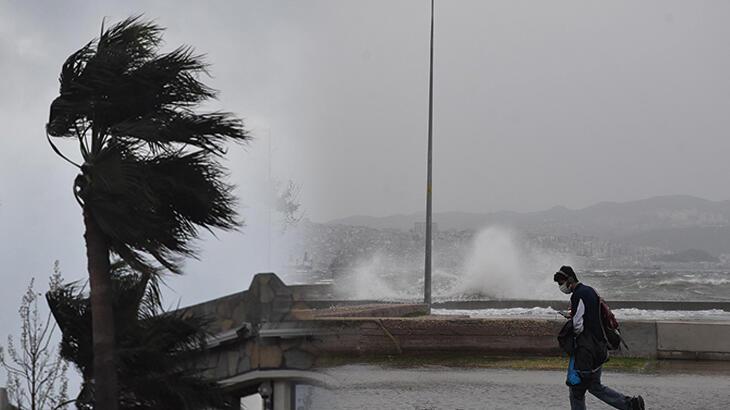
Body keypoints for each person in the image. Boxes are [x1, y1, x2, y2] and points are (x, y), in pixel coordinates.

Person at [554, 265, 645, 410]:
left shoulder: (578, 294)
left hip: (587, 351)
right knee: (595, 386)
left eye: (561, 282)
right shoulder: (590, 290)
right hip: (599, 347)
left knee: (576, 391)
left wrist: (572, 329)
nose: (561, 286)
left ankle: (630, 405)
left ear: (570, 280)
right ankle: (630, 404)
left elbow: (578, 324)